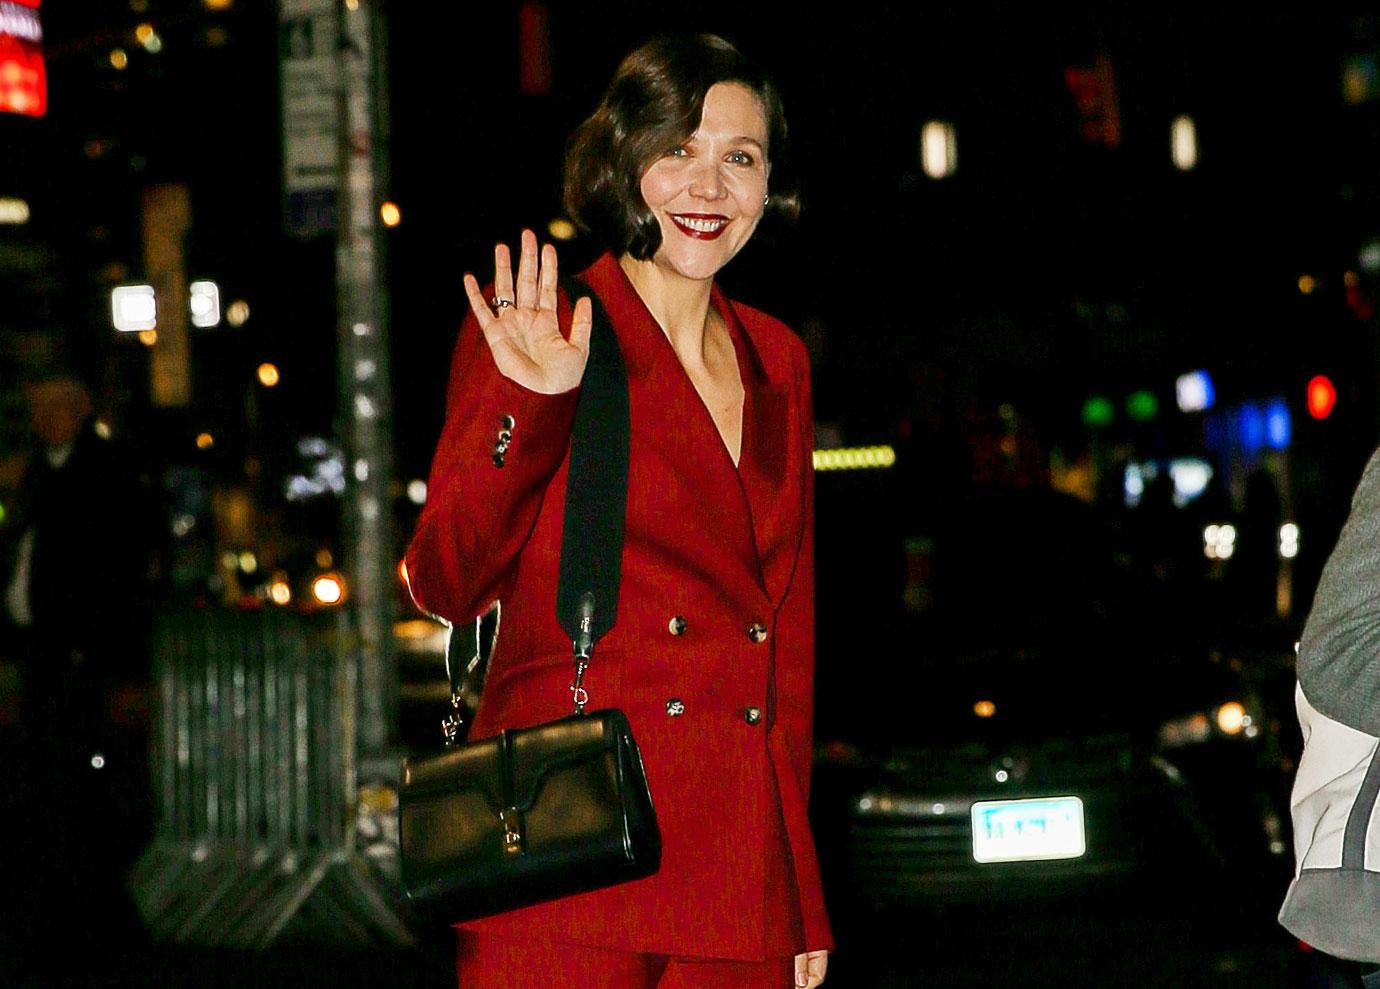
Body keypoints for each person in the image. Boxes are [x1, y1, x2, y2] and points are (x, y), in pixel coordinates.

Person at [404, 33, 831, 989]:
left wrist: (799, 887)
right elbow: (445, 579)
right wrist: (531, 401)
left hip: (735, 870)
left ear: (771, 188)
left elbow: (786, 641)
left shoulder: (778, 361)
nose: (707, 186)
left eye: (741, 158)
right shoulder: (546, 329)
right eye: (678, 147)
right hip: (566, 849)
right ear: (625, 162)